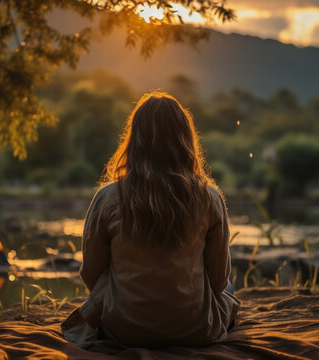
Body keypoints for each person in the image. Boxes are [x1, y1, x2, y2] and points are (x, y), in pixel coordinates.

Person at [61, 91, 240, 348]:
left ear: (134, 140)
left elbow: (91, 273)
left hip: (122, 328)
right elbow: (219, 280)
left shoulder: (107, 197)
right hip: (195, 329)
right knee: (230, 289)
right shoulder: (209, 198)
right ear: (185, 140)